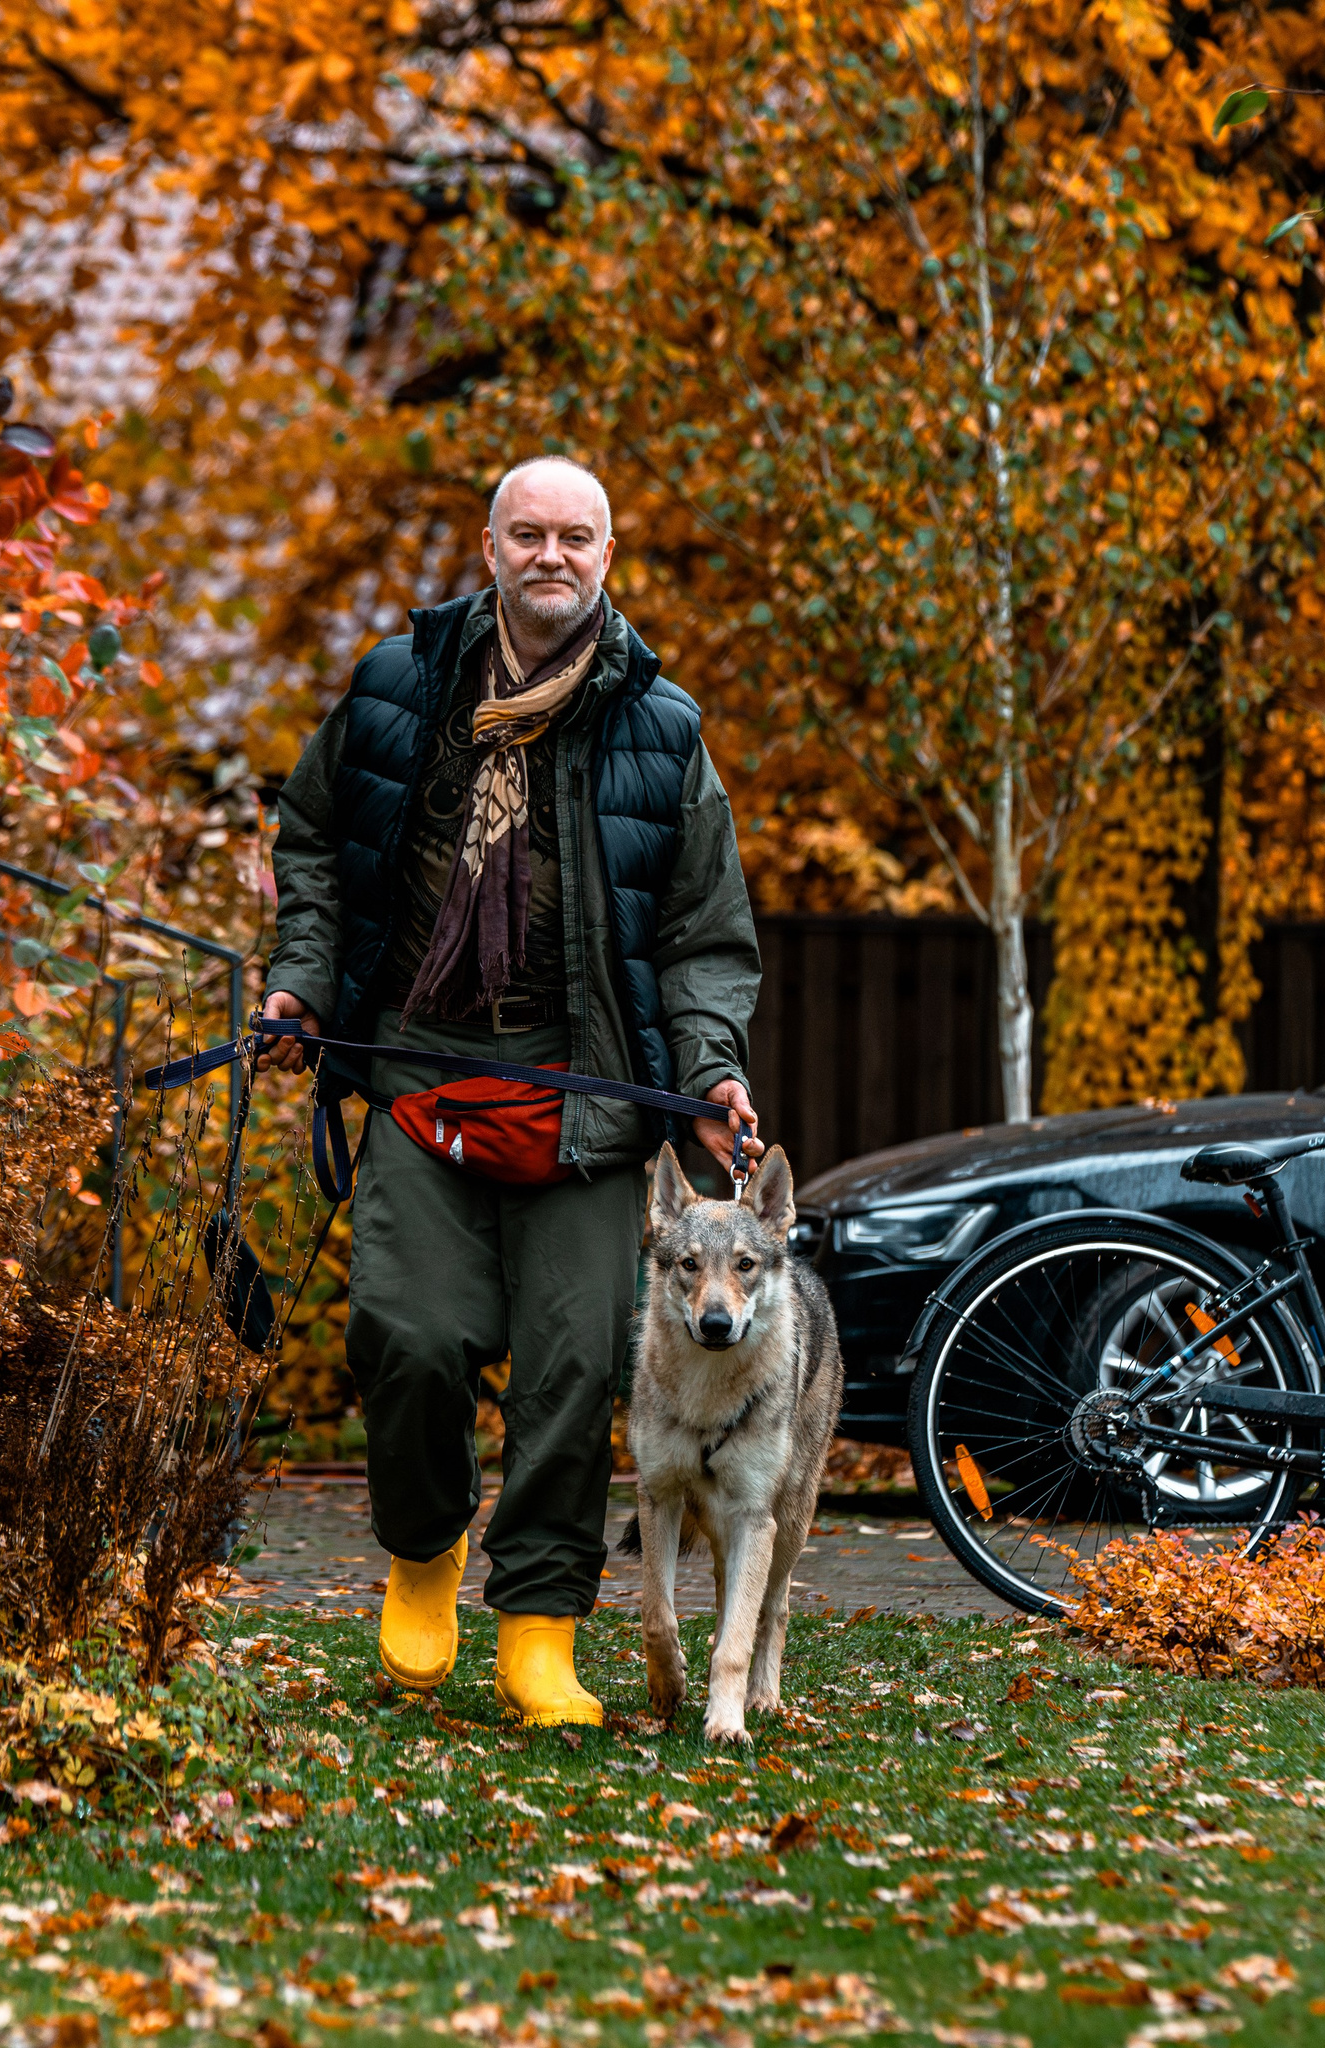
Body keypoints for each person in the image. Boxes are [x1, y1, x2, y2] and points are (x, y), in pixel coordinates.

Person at [257, 457, 764, 1726]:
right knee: (407, 1335)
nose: (551, 554)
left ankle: (539, 1627)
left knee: (574, 1364)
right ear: (487, 549)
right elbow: (316, 837)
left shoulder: (662, 726)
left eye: (575, 536)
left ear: (607, 556)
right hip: (422, 1070)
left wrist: (706, 1069)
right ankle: (425, 1552)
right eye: (527, 533)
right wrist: (304, 985)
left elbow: (703, 930)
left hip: (586, 1094)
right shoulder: (396, 687)